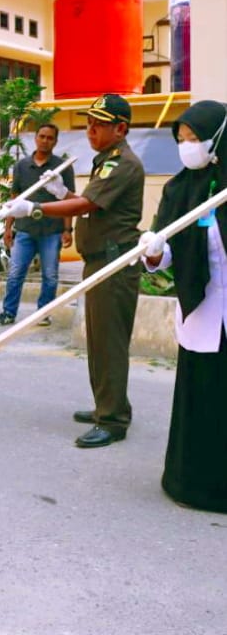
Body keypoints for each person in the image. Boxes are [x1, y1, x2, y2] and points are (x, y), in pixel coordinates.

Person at [5, 94, 144, 448]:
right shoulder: (106, 160)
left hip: (113, 262)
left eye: (99, 124)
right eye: (89, 123)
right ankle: (107, 405)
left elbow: (88, 203)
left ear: (121, 128)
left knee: (109, 342)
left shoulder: (122, 163)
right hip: (100, 259)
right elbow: (88, 200)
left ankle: (113, 420)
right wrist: (59, 190)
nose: (90, 130)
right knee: (99, 341)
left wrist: (36, 207)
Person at [139, 100, 227, 512]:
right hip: (206, 311)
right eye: (182, 139)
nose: (187, 146)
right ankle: (194, 482)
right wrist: (153, 251)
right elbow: (169, 250)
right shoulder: (179, 189)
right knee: (205, 397)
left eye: (195, 139)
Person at [0, 123, 75, 327]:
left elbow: (69, 201)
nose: (45, 141)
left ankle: (42, 313)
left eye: (50, 138)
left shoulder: (62, 167)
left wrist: (67, 229)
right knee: (15, 273)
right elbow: (14, 198)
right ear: (36, 138)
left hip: (51, 231)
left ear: (55, 141)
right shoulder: (21, 166)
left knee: (50, 275)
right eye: (42, 136)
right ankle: (8, 312)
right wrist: (8, 227)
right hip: (25, 229)